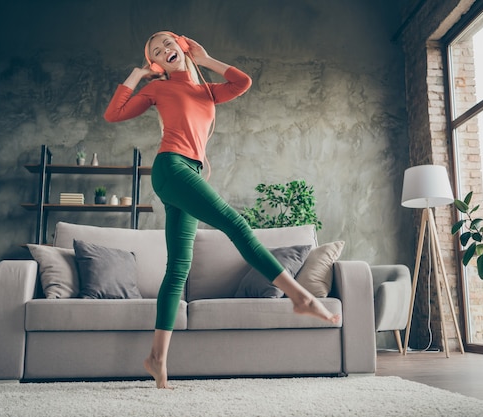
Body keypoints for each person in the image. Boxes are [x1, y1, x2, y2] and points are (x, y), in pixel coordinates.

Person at [104, 31, 340, 389]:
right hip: (172, 168)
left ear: (181, 47)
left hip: (189, 171)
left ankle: (156, 358)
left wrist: (205, 58)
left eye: (169, 43)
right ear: (154, 63)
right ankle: (300, 297)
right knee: (236, 225)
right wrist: (138, 76)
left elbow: (242, 82)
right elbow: (113, 114)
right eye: (156, 51)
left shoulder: (207, 91)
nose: (165, 50)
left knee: (179, 266)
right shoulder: (158, 89)